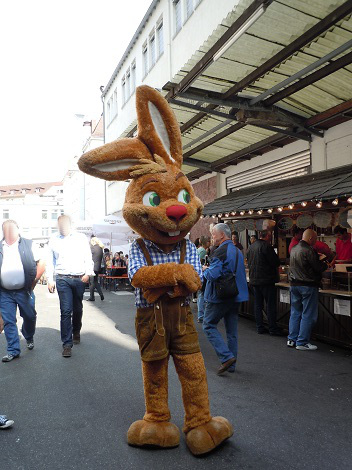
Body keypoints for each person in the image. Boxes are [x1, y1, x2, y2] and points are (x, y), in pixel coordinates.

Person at [203, 223, 248, 375]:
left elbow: (213, 275)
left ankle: (226, 357)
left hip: (220, 296)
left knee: (208, 325)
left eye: (214, 234)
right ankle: (232, 364)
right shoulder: (237, 251)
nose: (212, 237)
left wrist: (204, 271)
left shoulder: (220, 252)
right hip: (236, 295)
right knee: (232, 332)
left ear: (222, 235)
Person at [46, 215, 94, 358]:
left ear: (70, 225)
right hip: (62, 278)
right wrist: (50, 279)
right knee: (66, 311)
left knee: (77, 308)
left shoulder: (80, 238)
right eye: (60, 226)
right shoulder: (53, 239)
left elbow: (87, 256)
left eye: (64, 226)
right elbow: (50, 260)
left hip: (79, 278)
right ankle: (67, 344)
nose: (62, 228)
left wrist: (88, 273)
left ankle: (76, 330)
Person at [0, 220, 45, 362]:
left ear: (18, 230)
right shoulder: (1, 246)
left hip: (24, 290)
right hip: (5, 292)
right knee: (8, 321)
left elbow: (42, 263)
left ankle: (29, 335)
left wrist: (33, 282)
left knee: (30, 317)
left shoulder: (29, 244)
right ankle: (13, 350)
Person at [288, 229, 328, 351]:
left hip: (294, 285)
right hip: (307, 285)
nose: (315, 242)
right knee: (308, 314)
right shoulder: (309, 250)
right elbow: (318, 268)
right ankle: (302, 341)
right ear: (311, 238)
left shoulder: (294, 248)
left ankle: (292, 339)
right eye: (315, 239)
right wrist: (324, 262)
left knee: (295, 312)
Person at [247, 230, 282, 335]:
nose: (271, 238)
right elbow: (275, 262)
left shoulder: (251, 247)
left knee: (258, 305)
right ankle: (272, 328)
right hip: (266, 280)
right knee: (270, 305)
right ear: (267, 236)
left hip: (254, 280)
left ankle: (260, 327)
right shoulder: (267, 247)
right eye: (270, 236)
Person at [196, 236, 210, 323]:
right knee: (202, 295)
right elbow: (199, 262)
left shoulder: (200, 249)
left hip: (198, 274)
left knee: (200, 295)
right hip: (201, 274)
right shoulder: (203, 251)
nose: (210, 243)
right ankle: (201, 315)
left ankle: (200, 315)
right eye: (209, 241)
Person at [87, 236, 105, 302]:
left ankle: (92, 297)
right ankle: (101, 295)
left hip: (92, 267)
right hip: (98, 267)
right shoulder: (100, 248)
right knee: (95, 282)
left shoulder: (92, 248)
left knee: (91, 283)